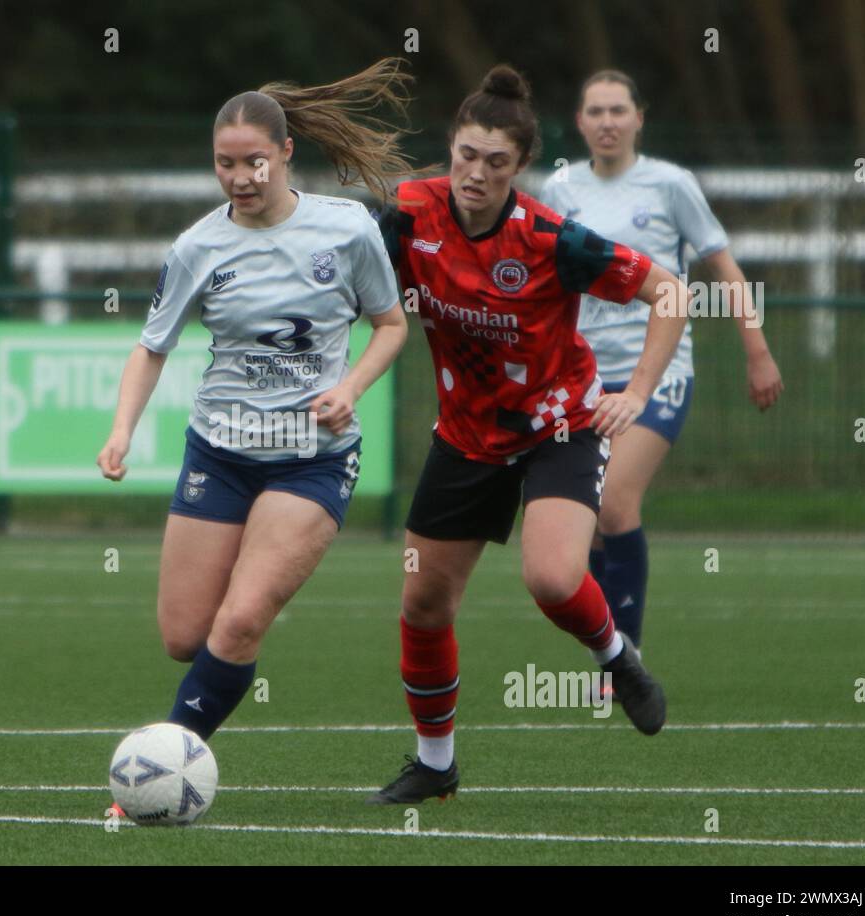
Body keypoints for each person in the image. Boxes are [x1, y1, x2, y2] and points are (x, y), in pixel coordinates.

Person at [368, 65, 690, 805]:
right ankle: (436, 765)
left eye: (496, 162)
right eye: (466, 156)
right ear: (450, 149)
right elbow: (351, 283)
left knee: (550, 579)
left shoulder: (552, 239)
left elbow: (669, 290)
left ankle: (618, 657)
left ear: (519, 169)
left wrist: (635, 391)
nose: (476, 174)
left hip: (559, 425)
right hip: (466, 432)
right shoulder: (410, 215)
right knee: (422, 605)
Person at [98, 58, 413, 747]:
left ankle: (169, 761)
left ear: (286, 154)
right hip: (220, 451)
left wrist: (349, 388)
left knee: (240, 620)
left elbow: (391, 326)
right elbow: (151, 347)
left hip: (311, 459)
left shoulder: (348, 229)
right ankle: (207, 697)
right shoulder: (197, 247)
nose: (240, 178)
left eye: (254, 162)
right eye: (224, 164)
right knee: (185, 636)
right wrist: (122, 431)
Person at [540, 69, 783, 652]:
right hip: (586, 376)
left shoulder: (671, 184)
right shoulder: (559, 191)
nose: (606, 122)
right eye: (595, 112)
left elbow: (722, 265)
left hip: (658, 372)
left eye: (618, 110)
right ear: (579, 121)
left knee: (615, 502)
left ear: (638, 118)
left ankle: (628, 651)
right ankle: (609, 659)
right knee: (588, 521)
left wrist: (758, 349)